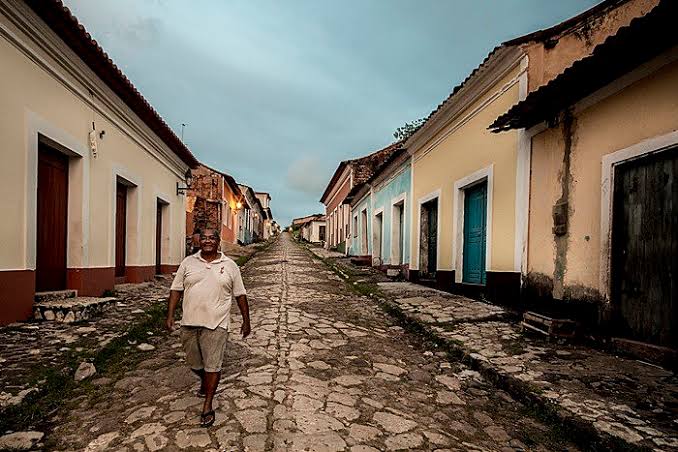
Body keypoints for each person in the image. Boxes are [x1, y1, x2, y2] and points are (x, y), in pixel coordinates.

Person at [166, 228, 251, 427]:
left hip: (217, 324)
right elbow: (176, 289)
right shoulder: (188, 263)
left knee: (213, 365)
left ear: (218, 241)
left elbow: (240, 294)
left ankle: (208, 404)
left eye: (212, 238)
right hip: (189, 322)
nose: (207, 241)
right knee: (194, 363)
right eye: (203, 238)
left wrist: (246, 321)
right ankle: (205, 381)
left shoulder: (230, 266)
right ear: (198, 241)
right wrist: (170, 315)